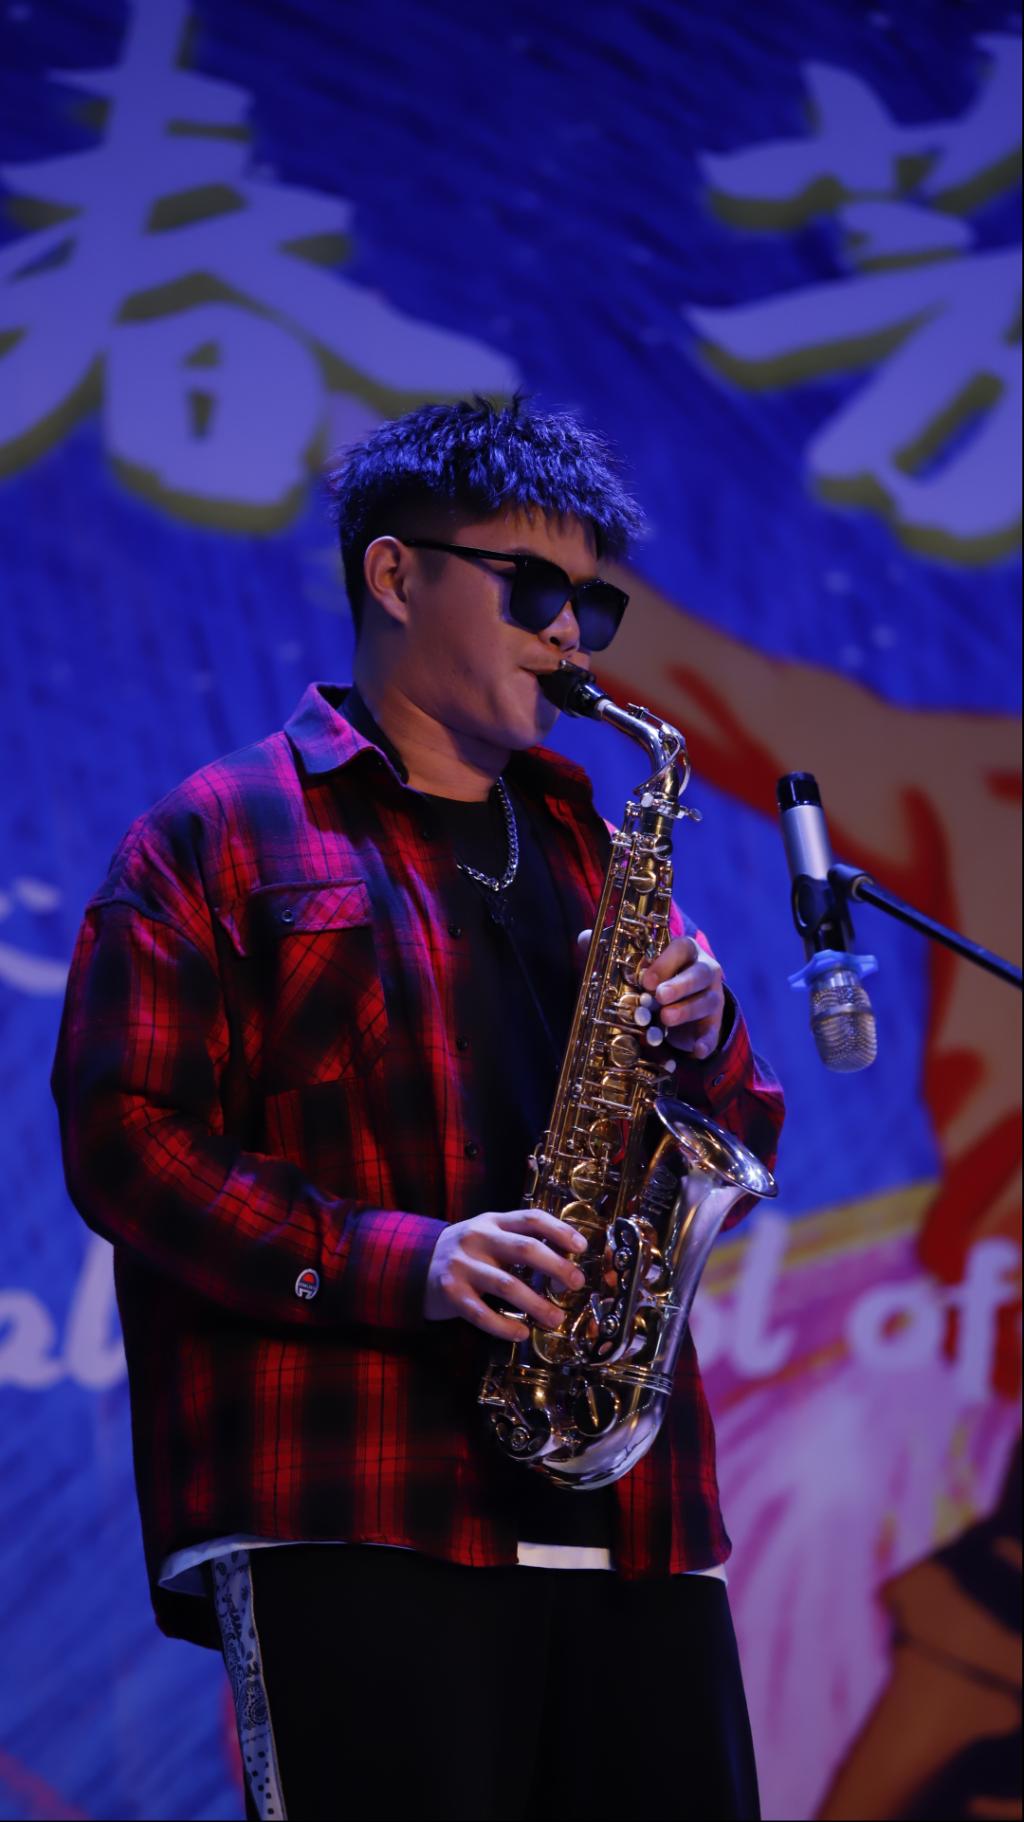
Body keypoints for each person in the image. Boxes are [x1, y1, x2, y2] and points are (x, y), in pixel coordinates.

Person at [53, 396, 784, 1822]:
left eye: (594, 604)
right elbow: (125, 1143)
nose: (570, 633)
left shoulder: (593, 846)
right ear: (393, 574)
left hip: (630, 1513)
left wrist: (706, 1040)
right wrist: (416, 1260)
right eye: (532, 586)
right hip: (359, 1503)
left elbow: (737, 1136)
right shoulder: (217, 833)